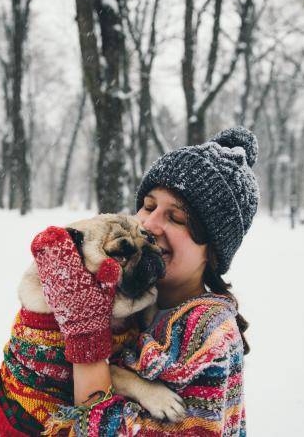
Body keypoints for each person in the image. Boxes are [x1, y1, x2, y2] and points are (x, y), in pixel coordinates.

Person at [32, 126, 259, 436]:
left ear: (213, 251)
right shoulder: (129, 301)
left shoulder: (207, 335)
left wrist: (86, 339)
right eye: (149, 207)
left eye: (176, 218)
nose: (150, 225)